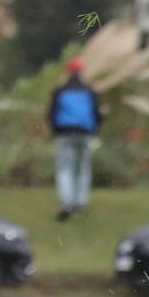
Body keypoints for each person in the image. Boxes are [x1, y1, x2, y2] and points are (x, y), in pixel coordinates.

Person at [48, 57, 102, 222]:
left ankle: (66, 204)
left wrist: (55, 131)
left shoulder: (60, 90)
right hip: (85, 134)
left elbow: (51, 114)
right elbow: (97, 114)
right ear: (81, 72)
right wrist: (94, 131)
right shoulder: (89, 91)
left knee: (65, 169)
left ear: (68, 72)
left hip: (64, 134)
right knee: (82, 170)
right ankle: (79, 204)